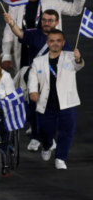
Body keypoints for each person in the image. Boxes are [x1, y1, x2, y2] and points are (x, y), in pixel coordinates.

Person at [3, 9, 70, 151]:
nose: (46, 23)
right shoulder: (34, 34)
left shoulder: (62, 40)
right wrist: (11, 23)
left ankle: (48, 137)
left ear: (57, 22)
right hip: (34, 78)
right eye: (44, 20)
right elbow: (19, 33)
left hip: (52, 82)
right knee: (33, 109)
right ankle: (35, 136)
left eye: (50, 20)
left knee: (50, 112)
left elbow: (67, 62)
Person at [1, 0, 85, 73]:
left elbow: (74, 10)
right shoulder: (15, 3)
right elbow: (9, 30)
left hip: (49, 49)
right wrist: (6, 55)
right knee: (25, 80)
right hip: (23, 50)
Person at [28, 30, 83, 170]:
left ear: (63, 43)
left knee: (67, 131)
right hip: (46, 104)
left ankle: (60, 158)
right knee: (46, 132)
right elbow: (32, 77)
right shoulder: (38, 61)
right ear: (47, 43)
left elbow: (78, 65)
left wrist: (78, 59)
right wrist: (33, 90)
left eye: (58, 40)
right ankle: (46, 146)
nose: (55, 43)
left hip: (66, 103)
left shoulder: (71, 57)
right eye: (52, 41)